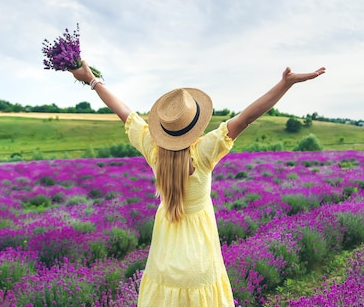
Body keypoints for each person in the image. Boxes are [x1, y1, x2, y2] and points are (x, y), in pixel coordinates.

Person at [69, 62, 325, 307]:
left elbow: (124, 113)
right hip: (200, 257)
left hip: (164, 258)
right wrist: (285, 84)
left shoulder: (153, 149)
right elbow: (247, 117)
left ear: (163, 128)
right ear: (194, 124)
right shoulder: (203, 152)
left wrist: (91, 79)